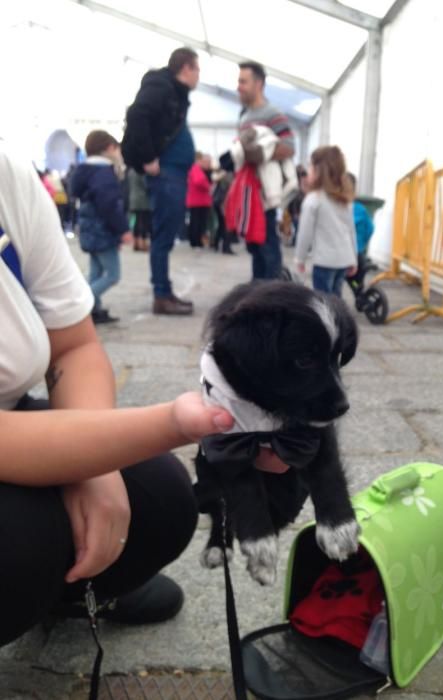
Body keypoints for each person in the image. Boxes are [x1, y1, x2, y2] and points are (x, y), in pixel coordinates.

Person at [0, 146, 237, 647]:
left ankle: (70, 591)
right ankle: (51, 578)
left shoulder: (9, 177)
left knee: (163, 496)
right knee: (21, 547)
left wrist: (96, 466)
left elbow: (74, 344)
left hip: (13, 413)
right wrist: (167, 424)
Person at [121, 47, 200, 316]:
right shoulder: (161, 85)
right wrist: (148, 157)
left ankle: (164, 292)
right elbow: (136, 115)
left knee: (164, 237)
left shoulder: (173, 91)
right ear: (187, 68)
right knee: (163, 238)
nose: (198, 76)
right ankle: (161, 295)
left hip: (173, 176)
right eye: (197, 69)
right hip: (166, 175)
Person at [235, 61, 295, 280]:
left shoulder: (273, 113)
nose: (239, 86)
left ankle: (273, 294)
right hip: (248, 193)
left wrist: (261, 153)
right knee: (254, 246)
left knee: (268, 245)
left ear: (258, 84)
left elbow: (289, 147)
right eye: (238, 81)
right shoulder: (243, 116)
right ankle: (258, 291)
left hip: (266, 195)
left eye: (244, 81)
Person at [70, 130, 133, 324]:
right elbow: (110, 205)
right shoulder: (104, 173)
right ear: (109, 148)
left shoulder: (83, 171)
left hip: (90, 228)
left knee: (96, 272)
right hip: (103, 231)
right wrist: (122, 230)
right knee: (113, 275)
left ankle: (93, 311)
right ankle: (81, 308)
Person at [294, 146, 358, 297]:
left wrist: (300, 258)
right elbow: (351, 231)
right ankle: (338, 321)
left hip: (324, 262)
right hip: (343, 260)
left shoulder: (313, 200)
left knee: (323, 302)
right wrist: (353, 258)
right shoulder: (345, 199)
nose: (307, 171)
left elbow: (305, 234)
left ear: (318, 170)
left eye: (310, 166)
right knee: (336, 301)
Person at [345, 172, 375, 297]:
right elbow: (370, 228)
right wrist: (363, 242)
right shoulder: (361, 209)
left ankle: (358, 293)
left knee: (347, 277)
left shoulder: (341, 209)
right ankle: (360, 293)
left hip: (347, 253)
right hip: (360, 252)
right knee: (359, 278)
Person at [186, 152, 213, 248]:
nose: (209, 164)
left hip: (199, 200)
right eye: (207, 162)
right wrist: (209, 186)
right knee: (197, 222)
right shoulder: (196, 168)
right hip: (198, 200)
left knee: (198, 221)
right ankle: (195, 241)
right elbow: (199, 181)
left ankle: (197, 240)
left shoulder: (197, 169)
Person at [127, 168, 152, 252]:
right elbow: (146, 185)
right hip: (143, 200)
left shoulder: (130, 171)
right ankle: (143, 243)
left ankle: (136, 243)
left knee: (136, 222)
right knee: (143, 222)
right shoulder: (141, 171)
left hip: (133, 199)